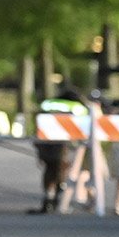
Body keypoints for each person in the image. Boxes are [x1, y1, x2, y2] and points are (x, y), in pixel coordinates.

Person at [28, 85, 91, 214]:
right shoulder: (77, 107)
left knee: (48, 169)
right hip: (63, 143)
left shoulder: (48, 104)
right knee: (61, 169)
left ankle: (48, 198)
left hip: (45, 142)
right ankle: (58, 197)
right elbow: (83, 126)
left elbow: (37, 120)